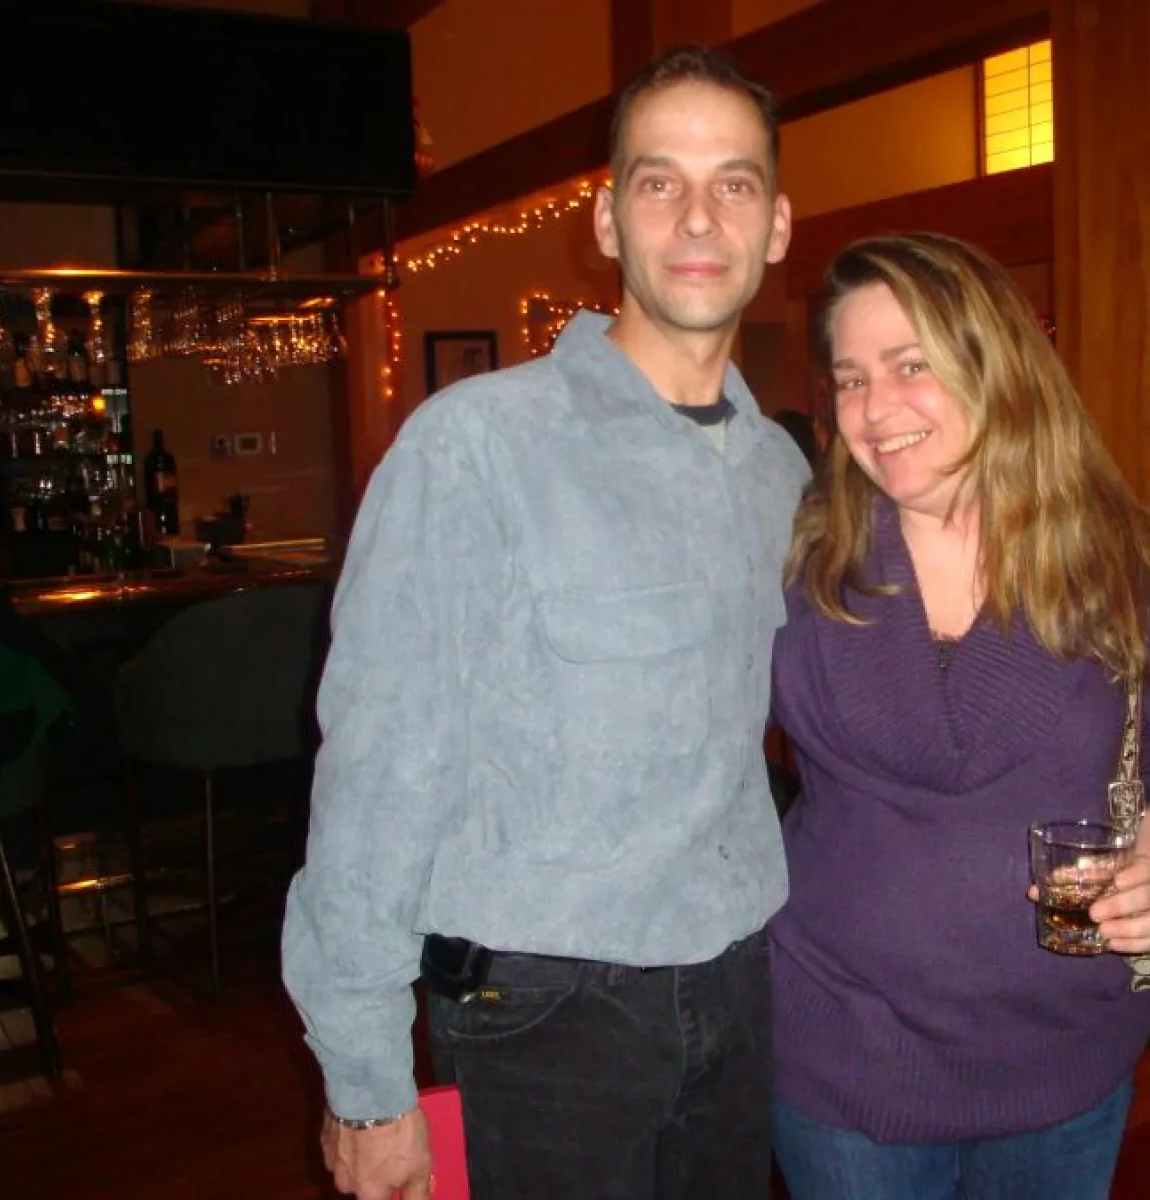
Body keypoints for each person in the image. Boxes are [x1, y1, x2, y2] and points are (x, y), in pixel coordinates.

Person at [281, 46, 803, 1200]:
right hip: (545, 1012)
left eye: (736, 181)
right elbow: (374, 780)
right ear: (610, 222)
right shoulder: (475, 446)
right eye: (659, 181)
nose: (698, 215)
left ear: (776, 226)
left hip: (737, 979)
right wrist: (365, 1081)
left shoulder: (781, 474)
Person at [766, 232, 1150, 1199]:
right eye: (852, 378)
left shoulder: (1116, 560)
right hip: (846, 1062)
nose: (876, 408)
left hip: (1063, 1059)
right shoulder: (791, 557)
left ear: (995, 366)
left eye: (912, 366)